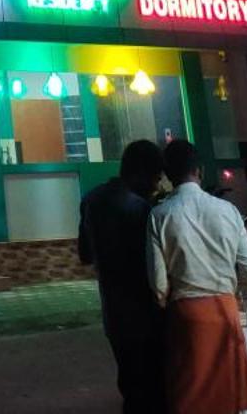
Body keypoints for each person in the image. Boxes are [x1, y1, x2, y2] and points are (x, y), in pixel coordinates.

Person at [147, 138, 247, 414]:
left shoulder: (159, 215)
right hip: (225, 309)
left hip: (187, 314)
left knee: (191, 395)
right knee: (230, 395)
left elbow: (159, 284)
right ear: (199, 171)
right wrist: (224, 282)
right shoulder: (228, 211)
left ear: (168, 176)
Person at [78, 138, 167, 414]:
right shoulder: (143, 209)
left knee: (130, 386)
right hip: (148, 312)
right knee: (154, 388)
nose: (157, 184)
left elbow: (85, 254)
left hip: (114, 314)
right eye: (156, 176)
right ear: (142, 173)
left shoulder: (91, 199)